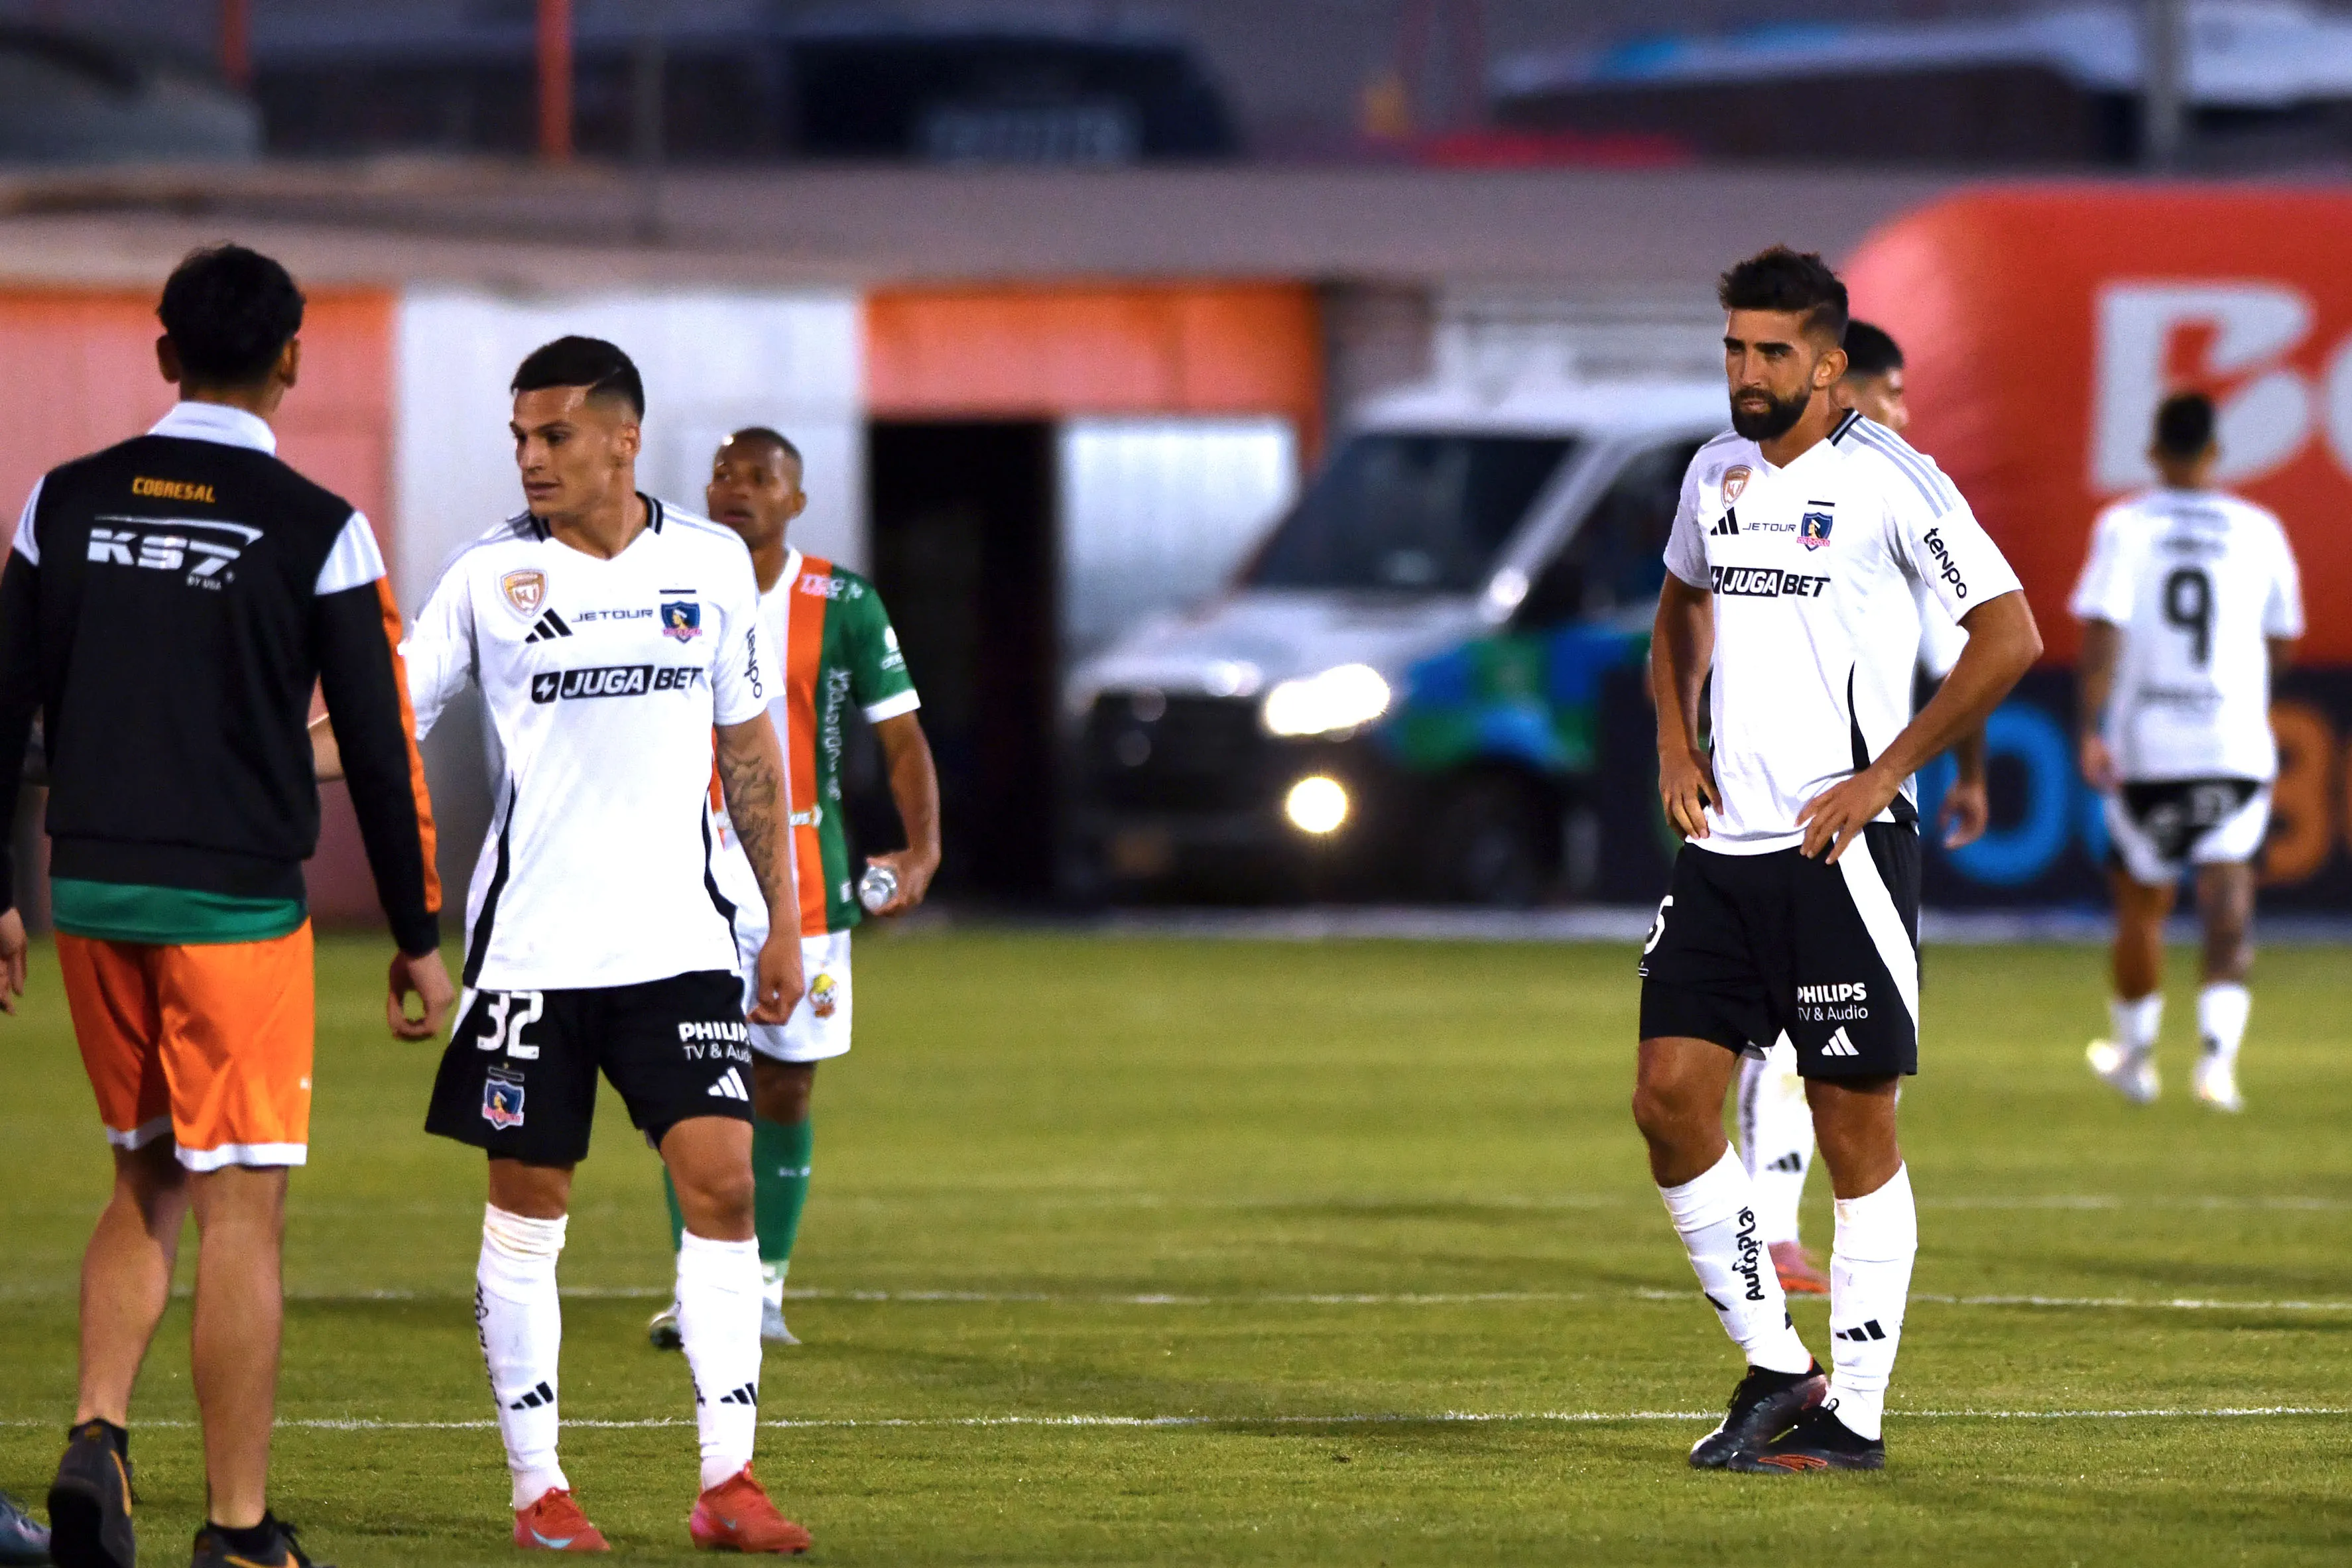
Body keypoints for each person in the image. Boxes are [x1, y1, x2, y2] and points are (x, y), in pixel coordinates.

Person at [0, 243, 452, 1568]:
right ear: (294, 359)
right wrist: (418, 938)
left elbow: (1, 710)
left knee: (143, 1176)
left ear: (163, 355)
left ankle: (98, 1438)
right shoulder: (320, 526)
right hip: (236, 903)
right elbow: (377, 746)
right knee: (242, 1202)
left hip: (89, 888)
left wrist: (1, 896)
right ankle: (241, 1535)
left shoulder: (59, 503)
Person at [400, 338, 813, 1553]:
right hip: (530, 955)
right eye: (520, 439)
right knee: (531, 1208)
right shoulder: (485, 576)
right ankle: (539, 1488)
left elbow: (747, 748)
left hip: (680, 942)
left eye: (555, 437)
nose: (531, 459)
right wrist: (251, 752)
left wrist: (781, 916)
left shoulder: (709, 566)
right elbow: (384, 721)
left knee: (724, 1182)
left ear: (623, 439)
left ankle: (727, 1484)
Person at [1637, 247, 2040, 1473]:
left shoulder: (1892, 482)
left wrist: (1888, 774)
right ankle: (1773, 1363)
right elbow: (1675, 612)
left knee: (1852, 1126)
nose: (1744, 373)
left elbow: (2007, 636)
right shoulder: (1712, 474)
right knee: (1666, 1103)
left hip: (1841, 855)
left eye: (1768, 353)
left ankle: (1854, 1415)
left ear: (1826, 362)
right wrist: (1673, 739)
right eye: (1731, 349)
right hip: (1723, 850)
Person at [647, 428, 940, 1351]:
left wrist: (922, 851)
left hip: (807, 884)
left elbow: (900, 740)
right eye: (724, 473)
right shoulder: (669, 582)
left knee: (782, 1086)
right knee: (690, 1081)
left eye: (760, 476)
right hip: (684, 876)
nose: (738, 488)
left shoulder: (841, 602)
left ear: (796, 501)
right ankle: (700, 1290)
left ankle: (763, 1285)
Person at [1732, 318, 1991, 1298]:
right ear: (1849, 386)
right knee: (1791, 1037)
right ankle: (1767, 1228)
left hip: (1863, 806)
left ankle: (1772, 1232)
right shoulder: (1774, 481)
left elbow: (1966, 648)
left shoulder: (1897, 495)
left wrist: (1955, 771)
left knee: (1820, 1043)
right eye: (1894, 393)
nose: (1904, 413)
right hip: (1790, 810)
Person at [2074, 392, 2302, 1113]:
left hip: (2149, 741)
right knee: (2228, 893)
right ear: (2214, 451)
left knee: (2141, 903)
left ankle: (2136, 1061)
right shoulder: (2257, 529)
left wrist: (2091, 722)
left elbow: (2103, 629)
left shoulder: (2125, 525)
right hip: (2231, 738)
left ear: (2153, 452)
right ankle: (2217, 1064)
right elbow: (2283, 634)